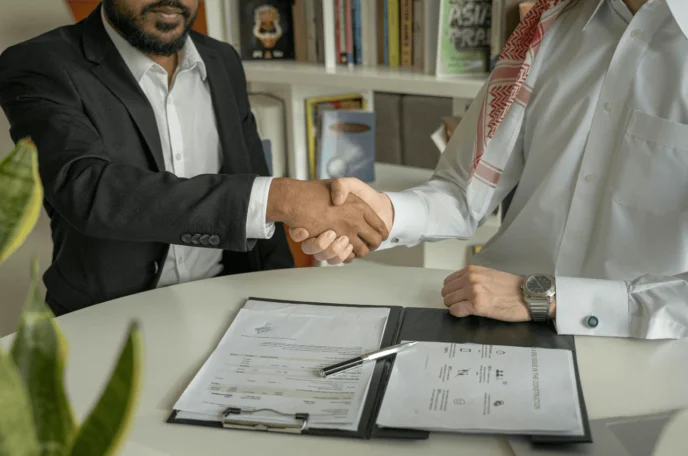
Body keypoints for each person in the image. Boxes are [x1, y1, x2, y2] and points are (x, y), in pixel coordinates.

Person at [292, 0, 688, 340]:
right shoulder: (547, 27)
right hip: (495, 326)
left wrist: (549, 298)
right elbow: (464, 192)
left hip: (641, 350)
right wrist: (382, 213)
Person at [0, 0, 387, 316]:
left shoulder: (223, 60)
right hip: (104, 318)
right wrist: (283, 198)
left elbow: (253, 176)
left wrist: (282, 302)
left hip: (229, 305)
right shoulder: (39, 64)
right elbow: (88, 190)